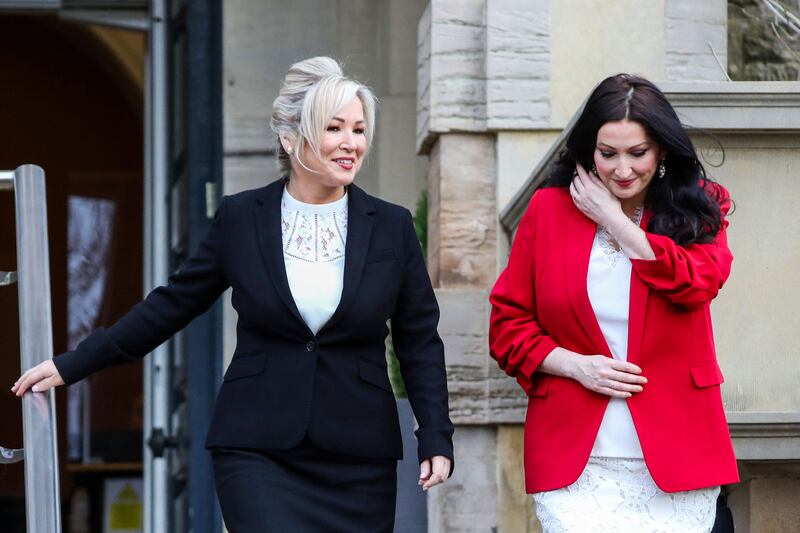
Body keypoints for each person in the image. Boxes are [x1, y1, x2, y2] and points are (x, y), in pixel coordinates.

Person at [13, 56, 454, 532]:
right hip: (258, 450)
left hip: (358, 458)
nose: (351, 143)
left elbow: (418, 340)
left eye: (359, 129)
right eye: (334, 128)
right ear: (291, 137)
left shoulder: (391, 226)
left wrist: (434, 433)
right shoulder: (243, 218)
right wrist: (75, 363)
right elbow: (172, 304)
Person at [488, 74, 738, 532]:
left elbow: (698, 283)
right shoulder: (548, 209)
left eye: (637, 153)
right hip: (576, 459)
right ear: (589, 151)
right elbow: (507, 325)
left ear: (661, 151)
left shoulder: (701, 205)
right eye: (608, 154)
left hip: (678, 448)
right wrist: (575, 366)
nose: (622, 169)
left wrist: (615, 222)